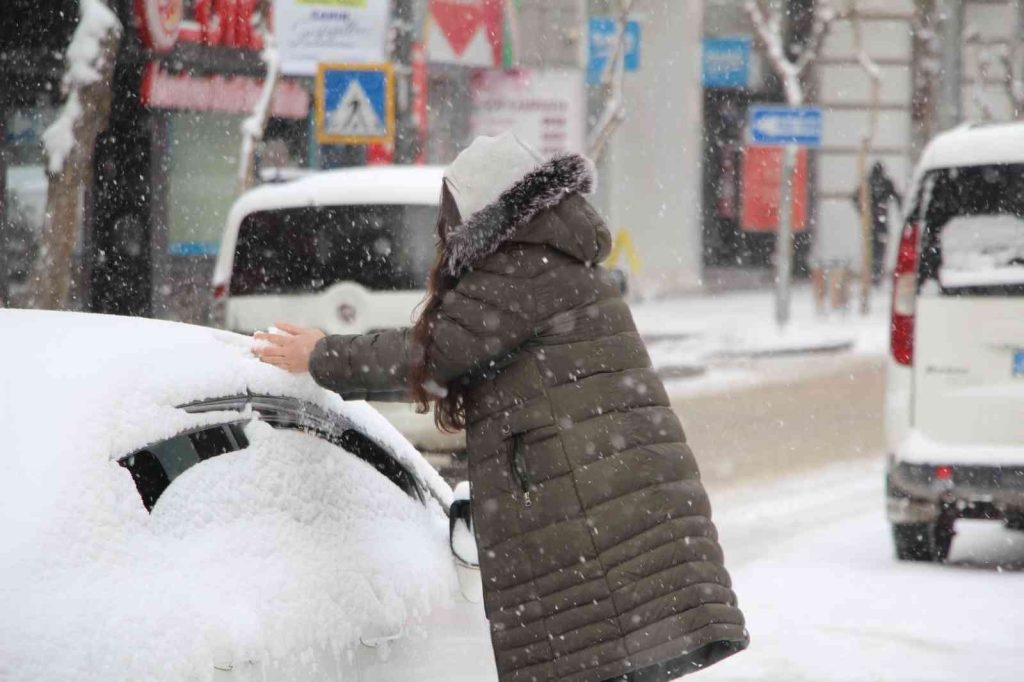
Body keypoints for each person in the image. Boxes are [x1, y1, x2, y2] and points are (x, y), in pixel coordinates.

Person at [253, 133, 748, 682]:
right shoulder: (559, 259)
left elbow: (430, 354)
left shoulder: (521, 269)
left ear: (479, 213)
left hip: (587, 519)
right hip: (618, 507)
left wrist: (321, 355)